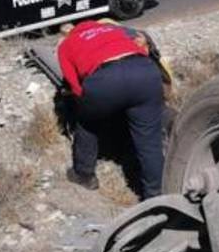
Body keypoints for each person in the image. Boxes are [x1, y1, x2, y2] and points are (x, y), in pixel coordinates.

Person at [57, 19, 170, 198]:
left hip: (105, 78)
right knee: (149, 140)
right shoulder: (112, 30)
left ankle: (84, 174)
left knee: (87, 122)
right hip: (145, 73)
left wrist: (88, 103)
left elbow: (74, 86)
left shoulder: (67, 44)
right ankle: (156, 194)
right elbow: (143, 48)